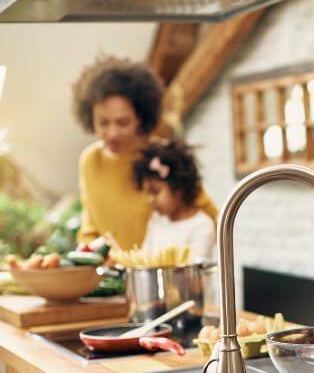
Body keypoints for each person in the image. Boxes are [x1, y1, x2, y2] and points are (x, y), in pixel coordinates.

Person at [72, 55, 217, 250]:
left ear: (140, 117)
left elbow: (211, 218)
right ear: (90, 118)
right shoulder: (91, 161)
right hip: (111, 277)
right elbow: (90, 229)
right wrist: (88, 250)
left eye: (123, 122)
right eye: (103, 123)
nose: (112, 133)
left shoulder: (164, 158)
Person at [132, 140, 215, 261]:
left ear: (179, 189)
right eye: (148, 193)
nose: (150, 199)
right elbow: (144, 258)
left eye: (156, 192)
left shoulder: (202, 226)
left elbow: (197, 276)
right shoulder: (156, 219)